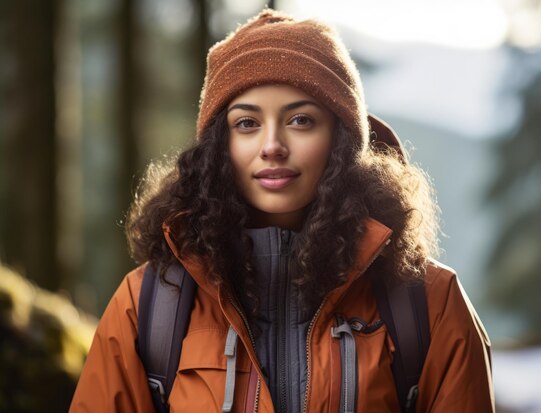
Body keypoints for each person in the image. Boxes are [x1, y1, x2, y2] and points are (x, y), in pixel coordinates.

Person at [70, 9, 494, 413]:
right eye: (247, 123)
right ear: (220, 145)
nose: (272, 145)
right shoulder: (148, 305)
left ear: (341, 139)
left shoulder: (429, 304)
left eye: (301, 120)